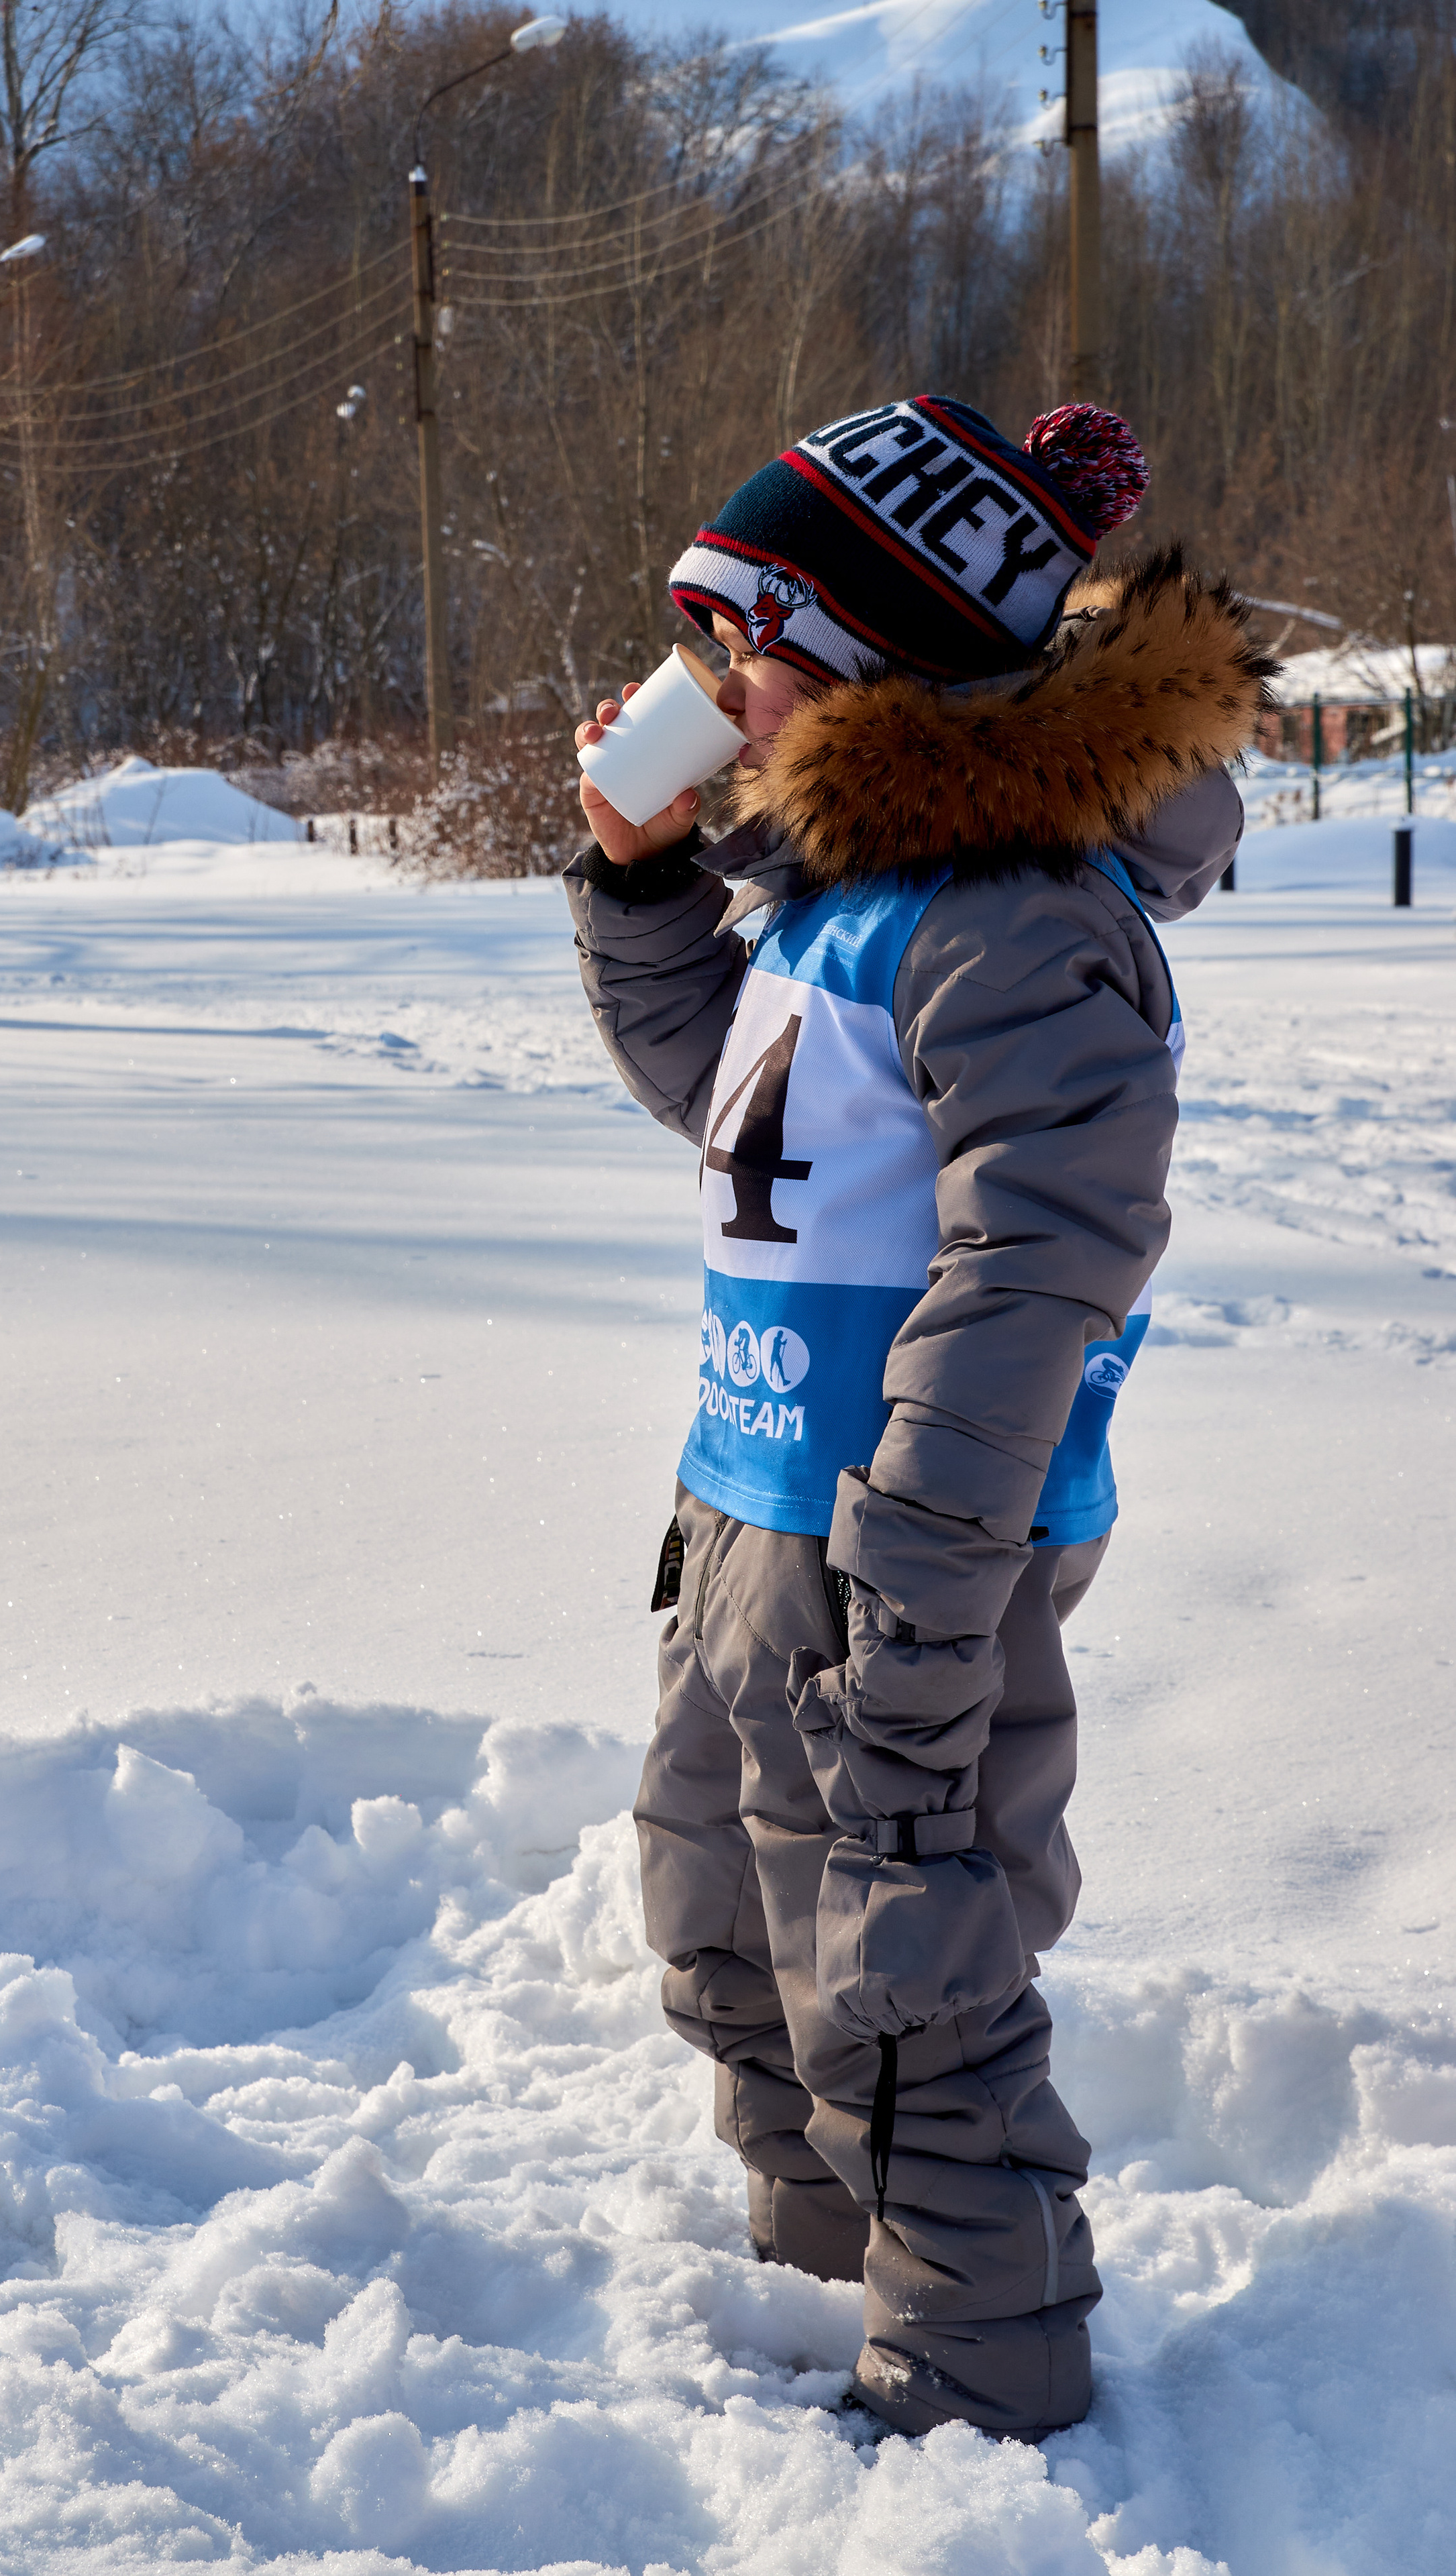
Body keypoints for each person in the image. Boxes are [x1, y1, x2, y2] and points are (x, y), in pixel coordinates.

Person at [563, 398, 1273, 2440]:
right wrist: (637, 893)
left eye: (738, 652)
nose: (708, 695)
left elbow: (1044, 1260)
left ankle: (987, 2384)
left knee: (902, 1954)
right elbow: (741, 1113)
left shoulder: (1021, 920)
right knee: (719, 1900)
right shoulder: (838, 898)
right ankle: (827, 2267)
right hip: (750, 1518)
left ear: (870, 662)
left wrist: (921, 1563)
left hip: (907, 1538)